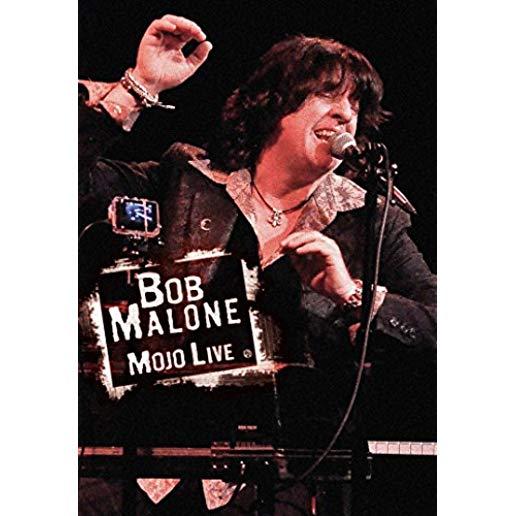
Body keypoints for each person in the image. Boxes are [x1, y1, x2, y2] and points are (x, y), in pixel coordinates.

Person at [79, 13, 436, 515]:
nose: (345, 114)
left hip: (284, 485)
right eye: (327, 95)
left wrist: (351, 294)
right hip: (143, 472)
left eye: (355, 104)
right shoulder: (183, 179)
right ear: (274, 104)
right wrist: (139, 88)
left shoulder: (370, 220)